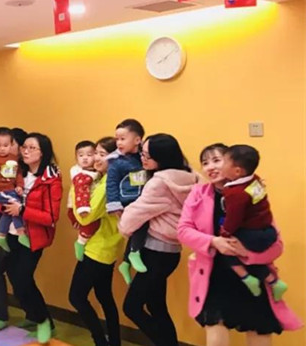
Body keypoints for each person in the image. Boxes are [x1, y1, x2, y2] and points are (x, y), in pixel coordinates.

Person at [178, 143, 302, 346]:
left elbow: (276, 245)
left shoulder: (252, 191)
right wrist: (214, 241)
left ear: (233, 165)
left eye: (217, 160)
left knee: (258, 333)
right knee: (215, 335)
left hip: (253, 276)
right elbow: (183, 230)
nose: (210, 167)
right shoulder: (199, 193)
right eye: (205, 163)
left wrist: (247, 254)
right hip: (213, 276)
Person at [119, 133, 198, 346]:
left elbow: (134, 215)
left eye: (148, 156)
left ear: (162, 158)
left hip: (154, 252)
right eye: (142, 153)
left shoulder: (159, 183)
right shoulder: (190, 177)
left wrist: (123, 222)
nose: (143, 159)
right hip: (171, 252)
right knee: (157, 307)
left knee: (132, 307)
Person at [0, 132, 62, 343]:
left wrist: (23, 210)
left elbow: (51, 217)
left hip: (33, 237)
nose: (25, 151)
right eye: (24, 147)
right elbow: (1, 195)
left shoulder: (50, 179)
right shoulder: (16, 172)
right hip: (11, 233)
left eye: (31, 148)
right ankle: (34, 316)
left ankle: (44, 321)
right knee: (12, 276)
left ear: (42, 153)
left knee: (23, 278)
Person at [68, 137, 123, 346]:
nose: (95, 158)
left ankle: (100, 341)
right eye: (96, 153)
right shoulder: (107, 179)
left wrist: (76, 189)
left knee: (76, 297)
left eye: (101, 154)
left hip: (97, 249)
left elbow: (85, 217)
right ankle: (114, 342)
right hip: (108, 248)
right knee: (104, 296)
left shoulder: (107, 184)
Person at [218, 145, 287, 300]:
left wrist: (225, 232)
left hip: (252, 233)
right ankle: (274, 282)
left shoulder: (236, 193)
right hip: (267, 230)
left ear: (237, 172)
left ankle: (248, 278)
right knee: (245, 253)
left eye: (223, 162)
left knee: (228, 249)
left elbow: (234, 218)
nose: (219, 166)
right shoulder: (254, 179)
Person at [107, 118, 149, 283]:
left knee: (139, 228)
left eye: (123, 139)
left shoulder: (143, 157)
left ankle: (125, 263)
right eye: (117, 139)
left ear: (137, 140)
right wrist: (114, 205)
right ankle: (134, 253)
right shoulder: (116, 162)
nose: (118, 143)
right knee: (142, 223)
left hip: (141, 198)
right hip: (127, 200)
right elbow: (111, 184)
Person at [67, 140, 100, 261]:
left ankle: (83, 240)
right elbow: (82, 190)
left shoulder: (96, 171)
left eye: (89, 155)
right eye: (81, 155)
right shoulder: (79, 173)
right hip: (78, 207)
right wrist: (83, 207)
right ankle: (80, 242)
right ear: (76, 158)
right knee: (90, 224)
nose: (85, 158)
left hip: (85, 206)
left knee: (91, 226)